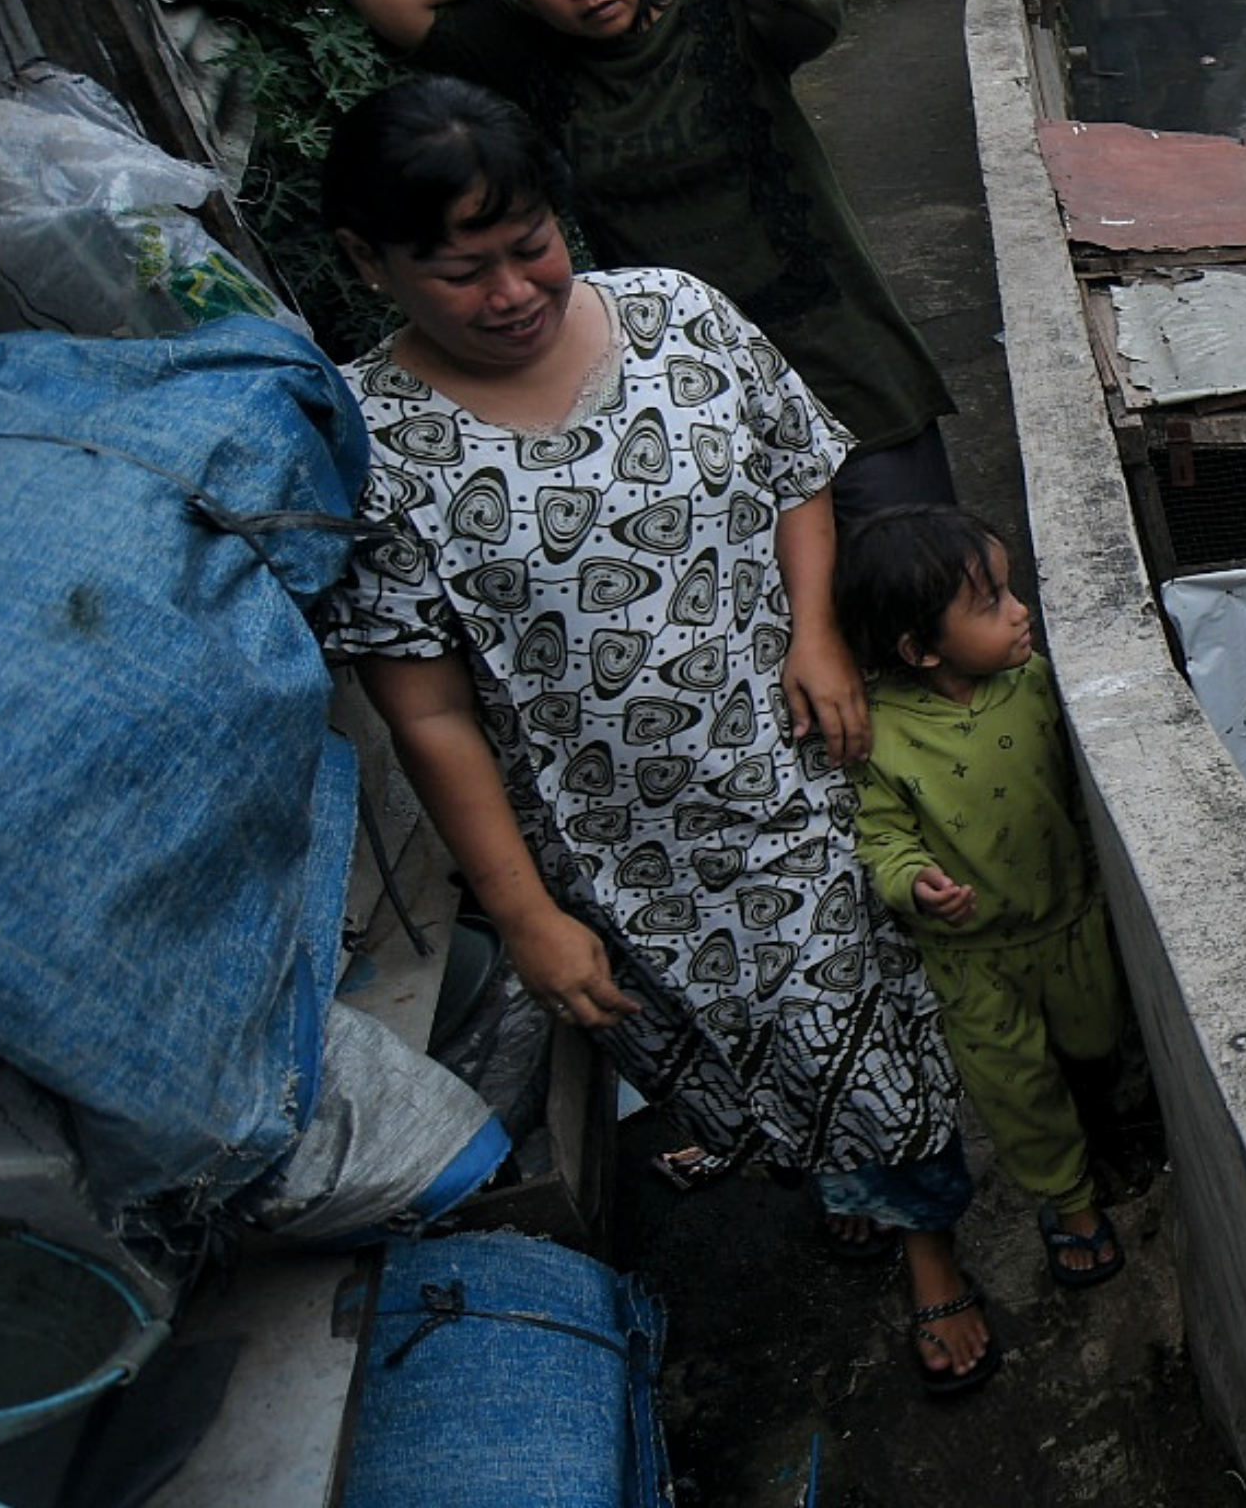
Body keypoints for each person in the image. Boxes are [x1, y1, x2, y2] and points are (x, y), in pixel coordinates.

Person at [315, 76, 996, 1394]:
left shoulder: (682, 318)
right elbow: (430, 710)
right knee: (722, 1056)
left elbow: (798, 471)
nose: (512, 292)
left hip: (786, 782)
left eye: (531, 247)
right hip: (612, 857)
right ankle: (834, 1172)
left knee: (856, 1018)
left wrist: (813, 631)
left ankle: (929, 1253)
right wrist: (525, 917)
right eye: (461, 271)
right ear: (369, 262)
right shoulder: (377, 444)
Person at [347, 0, 955, 521]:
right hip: (693, 397)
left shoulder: (717, 15)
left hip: (844, 364)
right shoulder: (530, 66)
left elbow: (812, 1)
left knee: (923, 585)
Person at [836, 504, 1140, 1288]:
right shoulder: (882, 736)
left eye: (1011, 591)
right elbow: (879, 836)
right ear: (918, 649)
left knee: (1096, 1041)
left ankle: (1106, 1129)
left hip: (1072, 920)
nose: (1021, 611)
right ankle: (1070, 1203)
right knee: (1019, 1092)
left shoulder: (1035, 682)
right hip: (975, 961)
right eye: (992, 604)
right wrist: (915, 883)